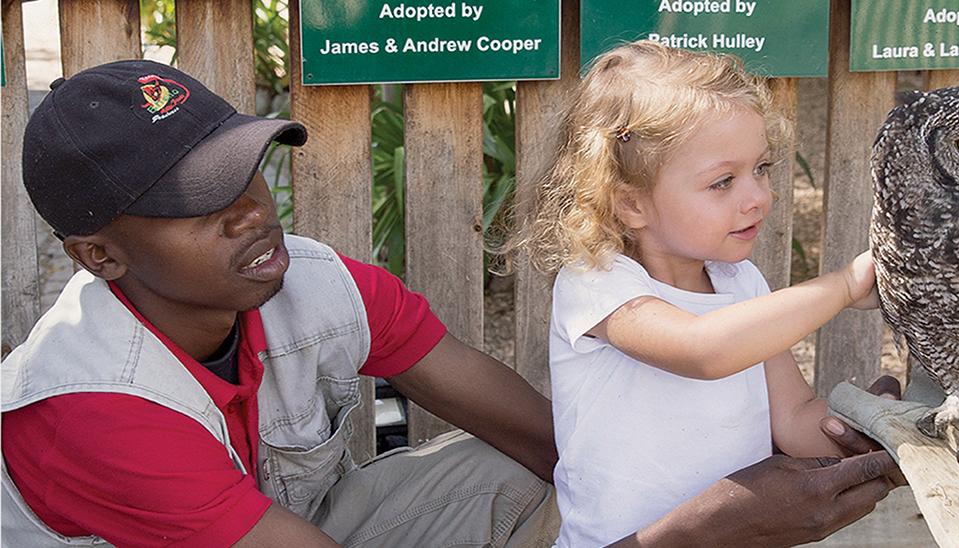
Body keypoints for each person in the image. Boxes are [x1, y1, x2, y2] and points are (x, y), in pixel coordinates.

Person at [3, 58, 900, 548]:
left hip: (292, 526)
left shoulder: (312, 280)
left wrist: (807, 459)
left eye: (245, 172)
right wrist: (686, 539)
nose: (247, 213)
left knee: (527, 470)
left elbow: (554, 445)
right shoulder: (97, 410)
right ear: (100, 255)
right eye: (198, 202)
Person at [503, 41, 896, 548]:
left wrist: (867, 426)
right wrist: (841, 287)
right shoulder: (598, 283)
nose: (758, 196)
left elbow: (795, 421)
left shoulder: (741, 284)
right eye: (722, 182)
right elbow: (703, 350)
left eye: (762, 169)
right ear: (630, 203)